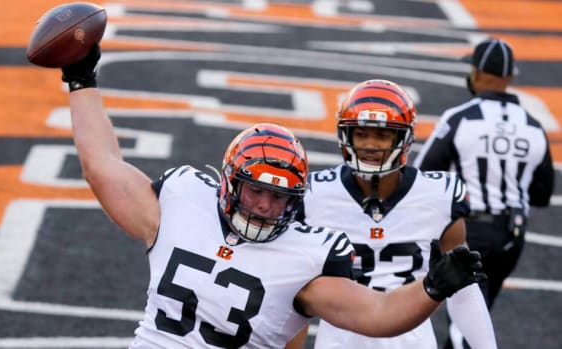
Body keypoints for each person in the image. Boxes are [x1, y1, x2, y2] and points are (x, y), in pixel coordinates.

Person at [54, 45, 485, 349]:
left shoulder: (305, 254)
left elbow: (376, 315)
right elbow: (103, 166)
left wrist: (432, 287)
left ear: (296, 199)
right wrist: (81, 80)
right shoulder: (185, 203)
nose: (264, 205)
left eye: (278, 197)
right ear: (229, 183)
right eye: (256, 190)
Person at [285, 79, 497, 349]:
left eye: (382, 135)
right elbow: (294, 291)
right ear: (346, 136)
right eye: (361, 134)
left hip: (412, 340)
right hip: (340, 339)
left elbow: (462, 287)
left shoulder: (438, 196)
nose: (370, 145)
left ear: (402, 139)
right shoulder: (314, 196)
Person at [414, 38, 554, 348]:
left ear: (475, 73)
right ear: (510, 77)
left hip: (468, 231)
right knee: (475, 318)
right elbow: (543, 193)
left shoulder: (460, 118)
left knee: (464, 321)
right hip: (510, 238)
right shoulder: (532, 126)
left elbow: (421, 173)